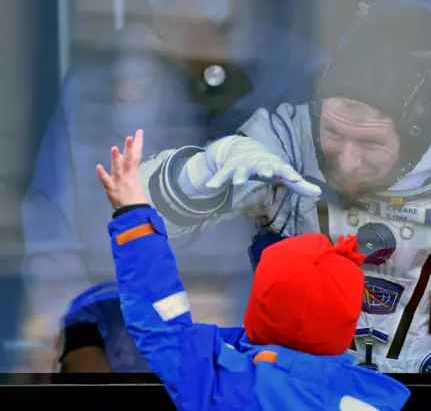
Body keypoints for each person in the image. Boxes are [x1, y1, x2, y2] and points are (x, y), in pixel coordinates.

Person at [133, 0, 431, 374]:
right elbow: (142, 213)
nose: (345, 160)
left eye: (370, 142)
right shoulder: (288, 142)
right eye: (335, 135)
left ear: (416, 133)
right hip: (302, 387)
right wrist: (201, 172)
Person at [19, 0, 324, 370]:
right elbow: (53, 226)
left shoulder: (294, 68)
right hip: (122, 352)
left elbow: (305, 212)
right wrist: (77, 340)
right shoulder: (100, 72)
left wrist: (212, 71)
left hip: (243, 357)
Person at [96, 129, 410, 410]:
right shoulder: (377, 399)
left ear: (259, 305)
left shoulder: (222, 385)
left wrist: (133, 215)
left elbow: (160, 321)